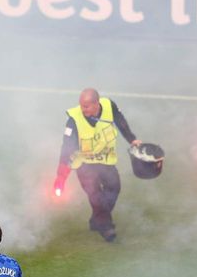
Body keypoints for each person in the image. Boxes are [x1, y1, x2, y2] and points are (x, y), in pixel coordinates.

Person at [53, 88, 141, 242]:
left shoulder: (108, 106)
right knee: (96, 196)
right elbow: (66, 149)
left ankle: (96, 219)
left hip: (106, 160)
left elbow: (120, 121)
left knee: (114, 188)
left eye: (86, 106)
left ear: (96, 104)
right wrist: (60, 179)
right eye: (81, 105)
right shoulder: (73, 120)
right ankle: (106, 227)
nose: (82, 109)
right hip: (84, 165)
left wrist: (132, 139)